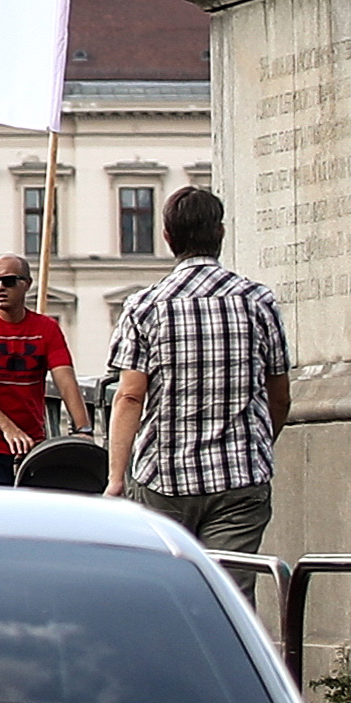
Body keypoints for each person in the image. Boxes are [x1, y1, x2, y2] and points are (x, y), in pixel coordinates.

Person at [104, 186, 292, 557]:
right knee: (230, 591)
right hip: (240, 478)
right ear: (220, 233)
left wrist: (115, 478)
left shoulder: (144, 306)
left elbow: (129, 395)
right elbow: (280, 396)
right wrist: (253, 447)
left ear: (167, 237)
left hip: (164, 478)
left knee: (165, 589)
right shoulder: (257, 301)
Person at [0, 262, 80, 489]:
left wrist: (83, 431)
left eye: (8, 281)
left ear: (27, 284)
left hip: (31, 445)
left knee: (29, 520)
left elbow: (66, 382)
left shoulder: (46, 328)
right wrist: (9, 429)